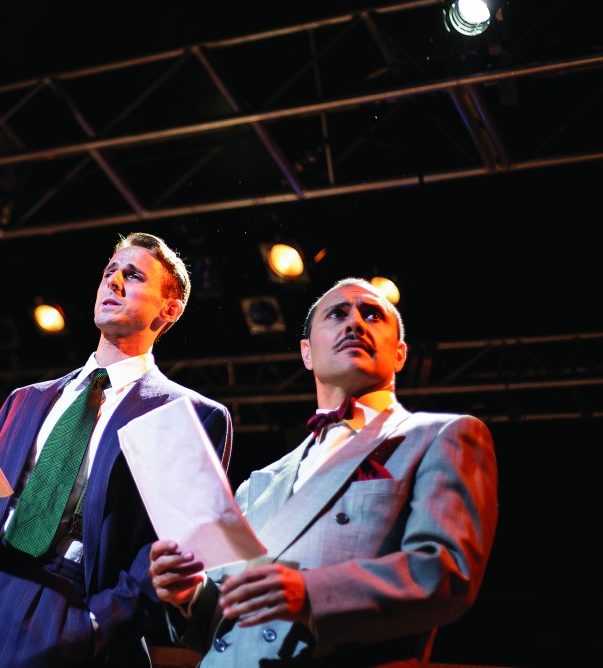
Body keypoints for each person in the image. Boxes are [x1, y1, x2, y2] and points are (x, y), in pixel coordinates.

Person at [0, 232, 233, 667]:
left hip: (63, 607)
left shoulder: (188, 413)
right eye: (109, 272)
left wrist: (96, 626)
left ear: (169, 309)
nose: (114, 283)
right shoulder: (26, 399)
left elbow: (176, 545)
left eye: (134, 276)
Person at [148, 277, 498, 667]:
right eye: (337, 314)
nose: (355, 324)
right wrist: (188, 595)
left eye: (372, 315)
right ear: (307, 353)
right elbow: (221, 617)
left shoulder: (441, 437)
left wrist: (311, 593)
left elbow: (445, 572)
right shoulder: (259, 482)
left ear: (400, 354)